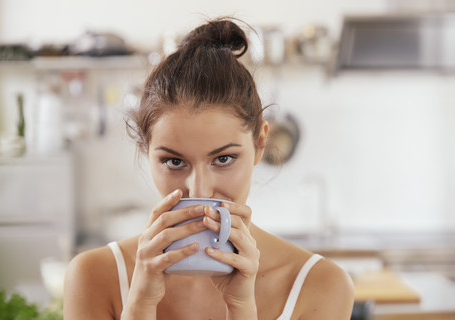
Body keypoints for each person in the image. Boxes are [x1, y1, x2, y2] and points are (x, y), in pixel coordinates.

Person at [64, 18, 354, 320]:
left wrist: (241, 310)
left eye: (224, 159)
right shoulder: (94, 277)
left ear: (259, 144)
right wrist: (138, 306)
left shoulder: (320, 285)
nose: (199, 190)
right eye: (174, 162)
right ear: (144, 151)